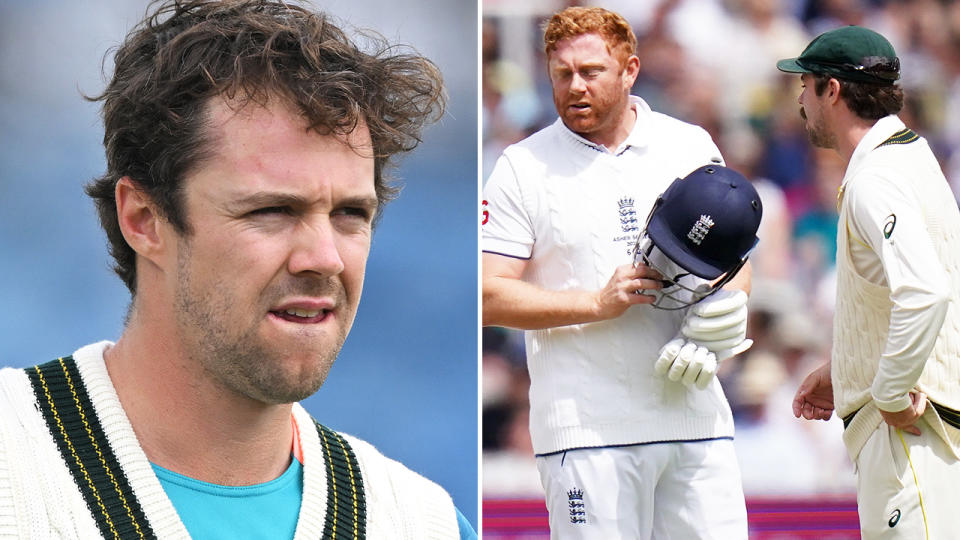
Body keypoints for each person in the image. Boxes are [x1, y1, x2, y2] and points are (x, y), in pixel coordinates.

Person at [0, 1, 477, 538]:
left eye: (351, 214)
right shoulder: (15, 467)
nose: (324, 257)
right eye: (272, 211)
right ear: (143, 220)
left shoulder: (421, 522)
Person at [481, 6, 758, 538]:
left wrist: (720, 322)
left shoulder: (690, 145)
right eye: (562, 74)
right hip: (586, 434)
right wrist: (595, 304)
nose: (574, 87)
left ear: (630, 69)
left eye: (591, 72)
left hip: (695, 423)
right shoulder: (521, 165)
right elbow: (487, 296)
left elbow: (736, 258)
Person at [781, 25, 960, 539]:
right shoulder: (911, 157)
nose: (799, 99)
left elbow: (926, 292)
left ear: (831, 90)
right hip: (924, 435)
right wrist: (849, 366)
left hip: (911, 435)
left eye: (805, 85)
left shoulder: (875, 177)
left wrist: (888, 391)